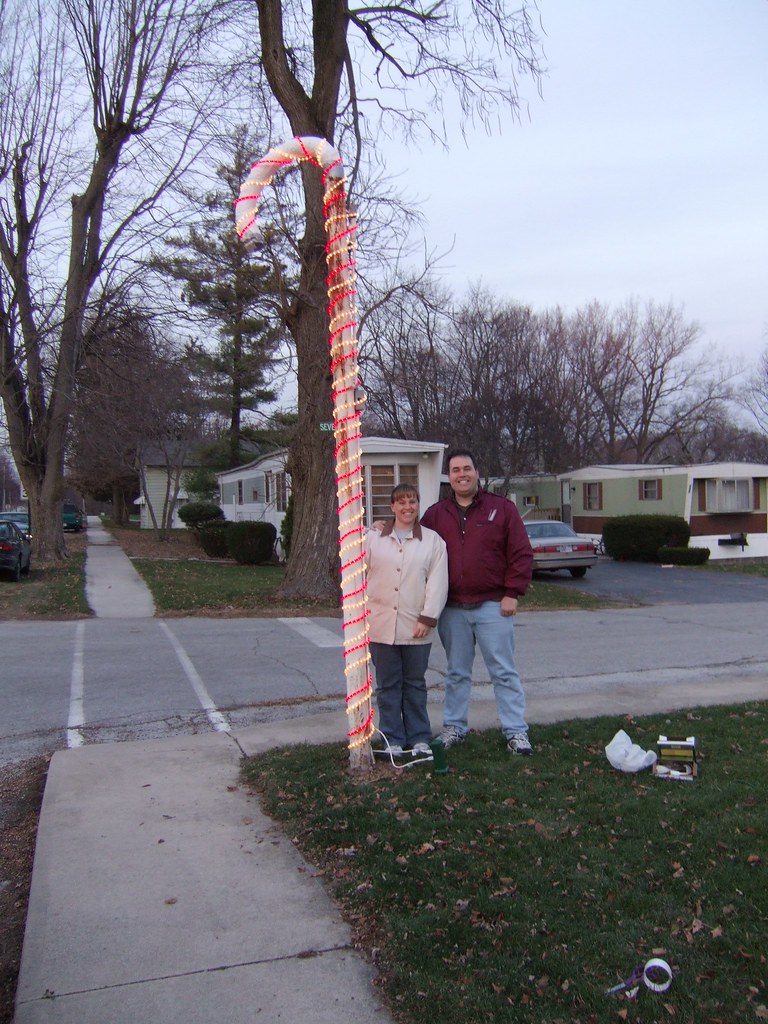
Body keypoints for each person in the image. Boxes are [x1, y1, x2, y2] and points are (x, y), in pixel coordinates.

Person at [420, 449, 534, 755]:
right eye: (455, 470)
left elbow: (521, 553)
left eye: (466, 468)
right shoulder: (434, 515)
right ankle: (454, 727)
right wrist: (385, 528)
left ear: (476, 472)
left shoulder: (502, 509)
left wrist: (512, 592)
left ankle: (516, 731)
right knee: (457, 672)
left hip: (493, 606)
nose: (461, 474)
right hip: (452, 608)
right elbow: (415, 546)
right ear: (450, 476)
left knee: (504, 672)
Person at [366, 483, 448, 756]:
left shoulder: (433, 541)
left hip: (416, 626)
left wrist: (428, 618)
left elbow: (438, 583)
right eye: (401, 502)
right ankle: (393, 739)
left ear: (418, 505)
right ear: (392, 507)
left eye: (412, 502)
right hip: (380, 627)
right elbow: (356, 573)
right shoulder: (373, 538)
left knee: (414, 684)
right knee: (388, 686)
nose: (407, 507)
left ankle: (419, 737)